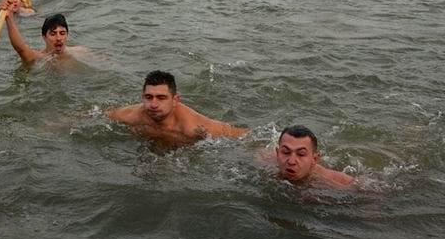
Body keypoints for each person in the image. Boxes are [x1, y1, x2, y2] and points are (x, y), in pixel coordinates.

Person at [106, 70, 248, 146]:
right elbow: (95, 113)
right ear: (142, 97)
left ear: (175, 100)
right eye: (148, 97)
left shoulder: (194, 127)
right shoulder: (130, 115)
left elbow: (246, 136)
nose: (153, 104)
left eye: (161, 98)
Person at [272, 125, 354, 188]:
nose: (291, 161)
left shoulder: (334, 182)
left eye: (301, 154)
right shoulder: (265, 162)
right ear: (277, 153)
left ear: (314, 159)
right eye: (286, 152)